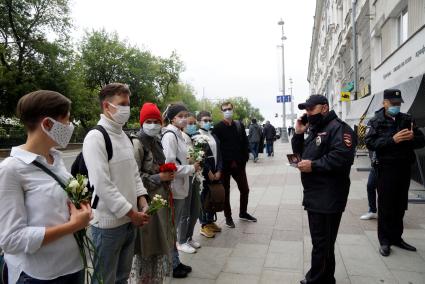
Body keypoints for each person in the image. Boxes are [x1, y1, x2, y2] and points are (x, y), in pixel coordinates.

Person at [0, 90, 92, 284]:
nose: (70, 127)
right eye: (66, 121)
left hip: (73, 266)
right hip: (39, 276)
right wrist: (73, 226)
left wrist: (82, 209)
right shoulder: (12, 169)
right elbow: (11, 239)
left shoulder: (56, 160)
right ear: (48, 124)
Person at [83, 83, 149, 284]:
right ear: (106, 106)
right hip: (108, 226)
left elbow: (134, 174)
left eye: (128, 104)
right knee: (104, 279)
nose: (126, 109)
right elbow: (102, 185)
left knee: (122, 277)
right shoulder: (96, 137)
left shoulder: (124, 136)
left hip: (130, 222)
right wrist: (132, 213)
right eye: (121, 104)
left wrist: (143, 200)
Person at [292, 95, 356, 284]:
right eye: (306, 110)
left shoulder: (339, 128)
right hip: (315, 194)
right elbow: (300, 155)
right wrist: (298, 134)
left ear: (325, 108)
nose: (308, 114)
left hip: (329, 194)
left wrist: (314, 166)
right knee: (322, 242)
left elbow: (342, 157)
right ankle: (324, 277)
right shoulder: (315, 129)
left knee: (322, 242)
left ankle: (317, 279)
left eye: (311, 109)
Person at [365, 89, 425, 257]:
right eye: (393, 104)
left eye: (398, 104)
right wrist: (393, 140)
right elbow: (370, 143)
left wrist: (412, 137)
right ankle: (384, 241)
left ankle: (397, 238)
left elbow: (422, 140)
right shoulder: (376, 121)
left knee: (400, 206)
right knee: (385, 206)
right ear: (384, 103)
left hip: (404, 168)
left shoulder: (407, 119)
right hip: (385, 169)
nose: (396, 107)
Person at [129, 103, 174, 284]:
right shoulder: (137, 143)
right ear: (142, 123)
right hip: (146, 202)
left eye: (157, 121)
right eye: (149, 121)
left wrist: (167, 175)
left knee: (158, 245)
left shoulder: (156, 141)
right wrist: (159, 177)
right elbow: (134, 176)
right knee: (147, 247)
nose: (153, 125)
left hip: (160, 200)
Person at [161, 104, 201, 278]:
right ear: (172, 118)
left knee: (173, 226)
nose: (184, 119)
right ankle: (171, 264)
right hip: (174, 189)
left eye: (186, 115)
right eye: (180, 116)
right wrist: (190, 168)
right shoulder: (170, 136)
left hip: (181, 187)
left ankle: (175, 261)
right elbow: (169, 166)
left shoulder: (180, 135)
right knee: (171, 227)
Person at [212, 102, 257, 228]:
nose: (227, 111)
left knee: (245, 189)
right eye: (225, 109)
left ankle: (243, 213)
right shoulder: (218, 127)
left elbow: (244, 142)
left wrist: (245, 157)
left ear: (233, 109)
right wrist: (219, 167)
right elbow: (216, 148)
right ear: (222, 112)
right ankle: (228, 217)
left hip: (239, 165)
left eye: (229, 109)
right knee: (225, 193)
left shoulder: (239, 125)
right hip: (224, 167)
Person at [195, 111, 223, 238]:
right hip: (205, 174)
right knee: (203, 199)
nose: (208, 122)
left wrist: (219, 170)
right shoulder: (197, 136)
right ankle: (204, 224)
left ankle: (210, 221)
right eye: (205, 120)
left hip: (216, 172)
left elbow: (220, 155)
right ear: (198, 121)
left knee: (213, 197)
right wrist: (209, 171)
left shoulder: (213, 135)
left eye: (209, 120)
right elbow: (199, 156)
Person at [177, 113, 201, 254]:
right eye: (188, 123)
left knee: (195, 210)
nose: (190, 125)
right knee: (185, 212)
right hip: (186, 176)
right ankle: (181, 240)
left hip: (194, 176)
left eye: (193, 123)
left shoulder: (193, 138)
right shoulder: (179, 137)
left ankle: (189, 236)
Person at [359, 151, 378, 220]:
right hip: (375, 165)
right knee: (370, 186)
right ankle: (372, 211)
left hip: (385, 165)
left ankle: (384, 212)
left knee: (382, 189)